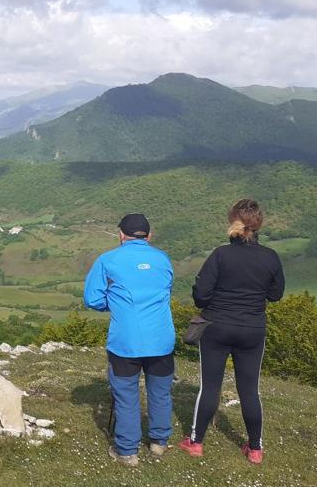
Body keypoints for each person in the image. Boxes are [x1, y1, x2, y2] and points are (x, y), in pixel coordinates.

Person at [179, 199, 285, 465]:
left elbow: (201, 295)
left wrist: (210, 303)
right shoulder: (270, 257)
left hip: (217, 326)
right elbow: (275, 295)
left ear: (232, 221)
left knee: (210, 386)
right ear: (259, 223)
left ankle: (195, 442)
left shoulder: (220, 255)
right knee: (249, 389)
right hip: (252, 328)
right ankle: (255, 448)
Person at [84, 213, 175, 467]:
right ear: (149, 235)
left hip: (125, 341)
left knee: (126, 395)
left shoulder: (108, 260)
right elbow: (166, 288)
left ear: (121, 235)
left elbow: (92, 299)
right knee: (160, 392)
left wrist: (114, 305)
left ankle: (127, 452)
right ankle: (158, 443)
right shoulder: (162, 259)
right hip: (161, 339)